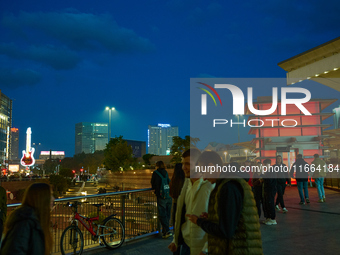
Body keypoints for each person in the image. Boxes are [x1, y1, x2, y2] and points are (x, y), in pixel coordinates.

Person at [187, 152, 263, 255]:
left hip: (237, 249)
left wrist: (199, 222)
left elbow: (225, 231)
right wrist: (214, 217)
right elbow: (236, 219)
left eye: (203, 171)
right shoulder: (233, 182)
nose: (204, 178)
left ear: (211, 166)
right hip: (244, 247)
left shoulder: (228, 188)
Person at [168, 148, 214, 255]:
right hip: (186, 244)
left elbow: (217, 220)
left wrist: (206, 248)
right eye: (183, 163)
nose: (183, 167)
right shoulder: (186, 184)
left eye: (188, 164)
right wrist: (175, 240)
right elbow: (180, 215)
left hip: (203, 248)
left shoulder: (210, 185)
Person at [0, 182, 54, 255]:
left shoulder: (36, 220)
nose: (53, 199)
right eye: (50, 195)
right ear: (41, 198)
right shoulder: (24, 223)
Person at [151, 161, 172, 239]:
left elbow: (153, 184)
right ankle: (164, 232)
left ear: (157, 166)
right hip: (168, 195)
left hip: (161, 196)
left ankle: (167, 230)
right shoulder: (165, 172)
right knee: (167, 214)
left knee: (162, 214)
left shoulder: (155, 173)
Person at [169, 163, 185, 255]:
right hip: (183, 207)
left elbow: (171, 193)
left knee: (177, 230)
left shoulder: (174, 181)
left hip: (175, 206)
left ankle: (176, 250)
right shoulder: (185, 181)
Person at [262, 158, 277, 225]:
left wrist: (263, 178)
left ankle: (272, 219)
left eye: (264, 164)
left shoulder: (270, 171)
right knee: (267, 204)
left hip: (270, 190)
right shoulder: (269, 171)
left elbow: (269, 181)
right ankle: (269, 218)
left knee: (270, 204)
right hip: (269, 189)